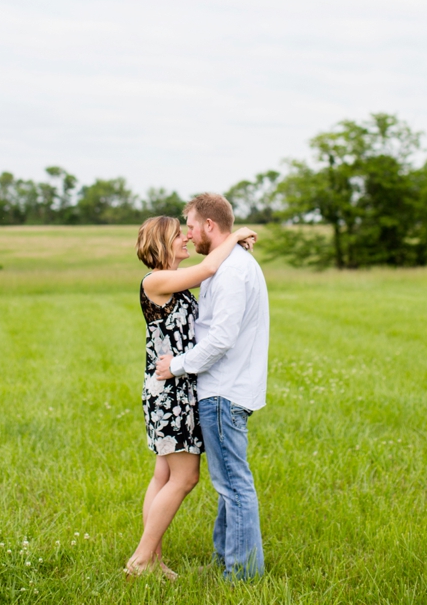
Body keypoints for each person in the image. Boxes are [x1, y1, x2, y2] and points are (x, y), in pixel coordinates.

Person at [127, 215, 257, 579]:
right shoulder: (157, 280)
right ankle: (141, 560)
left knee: (163, 475)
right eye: (177, 235)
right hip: (170, 392)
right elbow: (211, 265)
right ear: (160, 243)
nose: (185, 238)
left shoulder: (174, 284)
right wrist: (236, 236)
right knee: (184, 479)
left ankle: (152, 559)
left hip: (173, 386)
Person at [156, 192, 270, 580]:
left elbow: (220, 339)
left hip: (223, 390)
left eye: (189, 225)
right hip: (227, 387)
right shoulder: (228, 263)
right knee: (228, 485)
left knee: (233, 485)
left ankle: (242, 575)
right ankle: (227, 560)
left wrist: (178, 367)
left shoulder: (233, 270)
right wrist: (237, 236)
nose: (187, 234)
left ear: (209, 225)